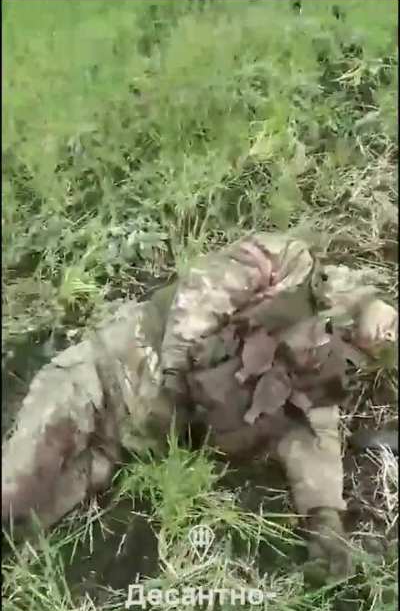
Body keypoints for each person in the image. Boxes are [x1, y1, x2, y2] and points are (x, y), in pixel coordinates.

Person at [2, 231, 397, 582]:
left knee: (26, 531)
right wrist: (184, 381)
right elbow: (200, 295)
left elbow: (315, 436)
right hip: (98, 377)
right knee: (13, 491)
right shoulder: (289, 264)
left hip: (119, 449)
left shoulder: (324, 369)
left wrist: (325, 523)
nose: (391, 334)